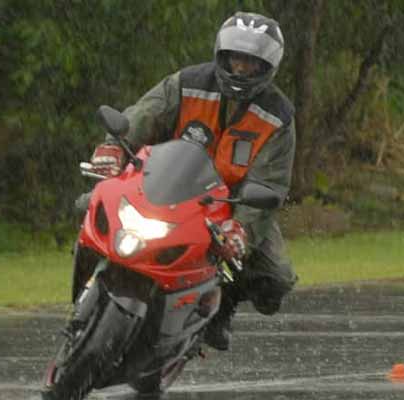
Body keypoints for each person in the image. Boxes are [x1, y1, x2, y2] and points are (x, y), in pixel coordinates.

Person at [89, 11, 297, 351]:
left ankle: (221, 307)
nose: (240, 69)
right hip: (164, 186)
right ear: (221, 54)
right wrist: (113, 148)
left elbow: (271, 183)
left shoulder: (278, 116)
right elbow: (143, 115)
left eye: (251, 63)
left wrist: (241, 229)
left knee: (276, 279)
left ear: (268, 67)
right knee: (88, 205)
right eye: (234, 59)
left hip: (233, 204)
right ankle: (90, 284)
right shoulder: (187, 83)